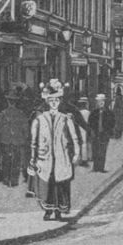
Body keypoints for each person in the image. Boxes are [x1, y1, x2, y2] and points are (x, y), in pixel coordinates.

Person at [29, 79, 82, 221]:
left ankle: (59, 210)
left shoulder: (65, 118)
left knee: (61, 185)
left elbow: (74, 137)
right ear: (47, 102)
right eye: (51, 100)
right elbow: (34, 141)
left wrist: (76, 153)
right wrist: (33, 157)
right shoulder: (40, 119)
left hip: (61, 156)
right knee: (48, 185)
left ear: (59, 101)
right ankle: (48, 210)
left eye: (56, 100)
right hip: (45, 157)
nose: (53, 103)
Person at [0, 90, 30, 186]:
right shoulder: (21, 114)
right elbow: (26, 129)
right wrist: (24, 138)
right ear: (16, 102)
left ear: (8, 101)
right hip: (17, 141)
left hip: (5, 140)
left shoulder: (4, 114)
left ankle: (6, 180)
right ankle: (13, 181)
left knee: (5, 160)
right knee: (16, 161)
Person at [88, 93, 116, 173]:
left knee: (103, 151)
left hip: (104, 134)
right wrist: (92, 131)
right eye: (99, 102)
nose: (101, 103)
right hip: (96, 134)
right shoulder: (93, 113)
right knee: (95, 150)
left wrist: (109, 132)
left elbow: (112, 123)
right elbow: (90, 123)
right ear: (97, 103)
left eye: (102, 102)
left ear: (104, 103)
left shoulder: (109, 113)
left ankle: (101, 167)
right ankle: (96, 167)